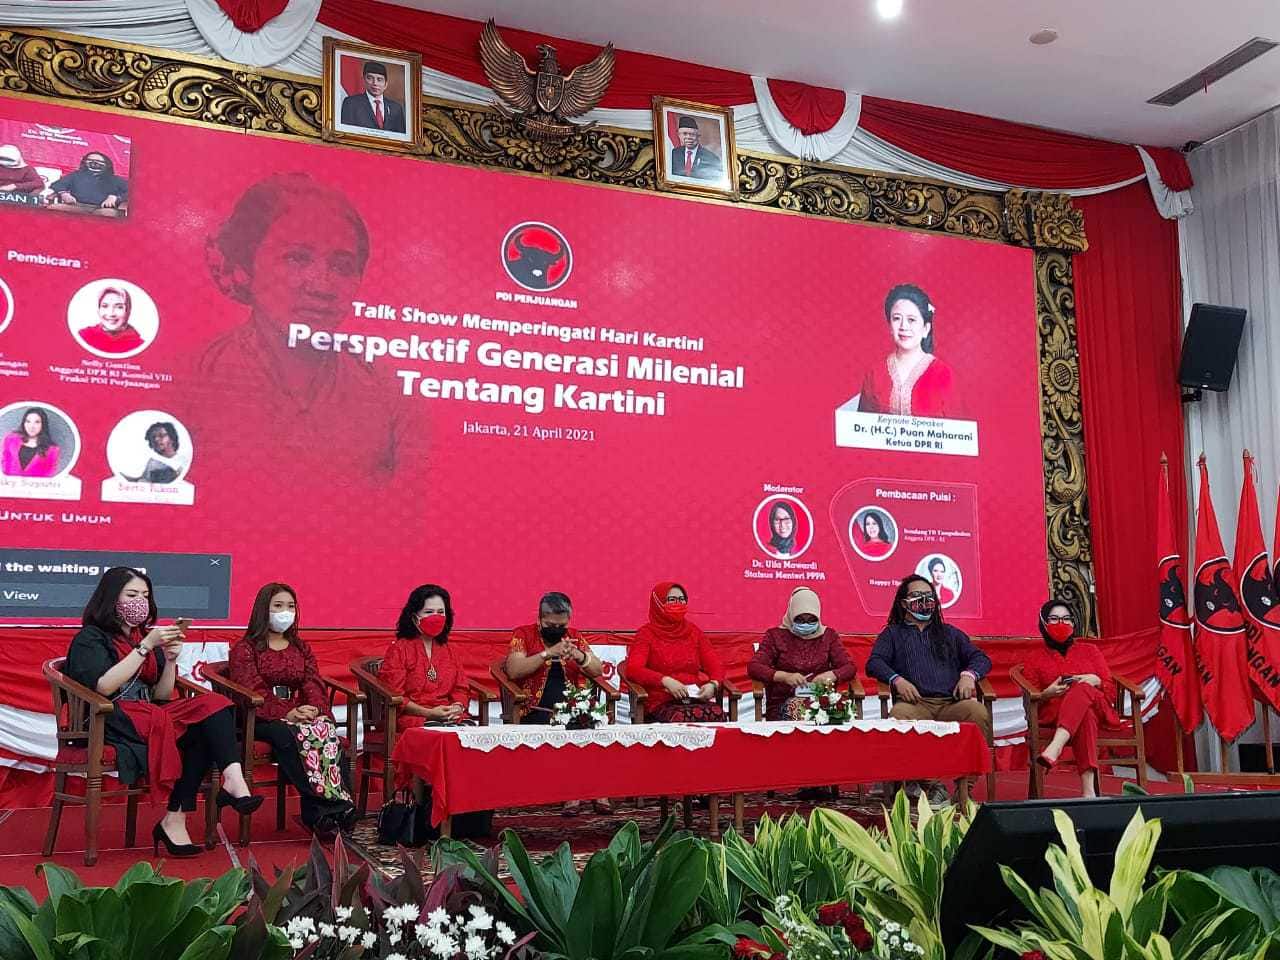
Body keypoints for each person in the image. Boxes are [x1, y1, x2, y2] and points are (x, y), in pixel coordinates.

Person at [63, 567, 261, 857]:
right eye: (132, 595)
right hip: (110, 715)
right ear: (111, 599)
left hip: (149, 710)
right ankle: (175, 820)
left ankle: (230, 781)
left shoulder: (143, 636)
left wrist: (169, 661)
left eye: (145, 596)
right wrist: (145, 647)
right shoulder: (91, 638)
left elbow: (162, 695)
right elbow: (103, 687)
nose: (140, 602)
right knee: (198, 732)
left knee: (214, 706)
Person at [229, 583, 358, 838]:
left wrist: (316, 710)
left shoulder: (300, 647)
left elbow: (312, 682)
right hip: (259, 716)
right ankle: (335, 808)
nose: (285, 612)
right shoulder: (246, 648)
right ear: (263, 610)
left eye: (290, 606)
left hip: (297, 711)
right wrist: (285, 713)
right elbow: (250, 687)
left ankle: (321, 815)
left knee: (325, 729)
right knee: (288, 735)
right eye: (278, 606)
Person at [865, 574, 992, 807]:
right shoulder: (892, 634)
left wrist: (969, 675)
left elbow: (980, 658)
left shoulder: (950, 633)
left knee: (977, 712)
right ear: (904, 603)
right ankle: (933, 786)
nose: (924, 601)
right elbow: (874, 663)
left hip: (951, 703)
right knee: (899, 716)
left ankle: (964, 790)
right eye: (917, 596)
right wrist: (897, 680)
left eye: (928, 596)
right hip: (916, 704)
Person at [505, 591, 611, 814]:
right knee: (568, 725)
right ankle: (573, 794)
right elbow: (514, 670)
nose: (556, 629)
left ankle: (596, 790)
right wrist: (548, 653)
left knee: (591, 720)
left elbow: (597, 670)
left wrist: (580, 656)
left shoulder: (574, 636)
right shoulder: (523, 635)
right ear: (540, 619)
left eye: (561, 625)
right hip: (535, 706)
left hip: (573, 704)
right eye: (550, 625)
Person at [1023, 599, 1124, 799]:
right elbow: (1030, 701)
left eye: (1066, 618)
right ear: (1043, 623)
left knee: (1083, 688)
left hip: (1099, 707)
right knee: (1085, 715)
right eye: (1054, 619)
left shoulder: (1090, 650)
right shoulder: (1034, 658)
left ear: (1073, 622)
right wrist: (1047, 693)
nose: (1061, 623)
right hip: (1056, 713)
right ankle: (1089, 792)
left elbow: (1111, 691)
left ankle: (1056, 746)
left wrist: (1096, 680)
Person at [748, 587, 857, 721]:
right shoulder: (775, 636)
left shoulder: (829, 636)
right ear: (791, 615)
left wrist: (831, 675)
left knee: (840, 710)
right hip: (784, 702)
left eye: (811, 620)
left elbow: (850, 667)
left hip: (821, 699)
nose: (806, 624)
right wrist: (785, 677)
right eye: (800, 620)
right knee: (804, 710)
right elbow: (754, 667)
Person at [625, 582, 727, 722]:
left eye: (681, 599)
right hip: (660, 701)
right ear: (658, 603)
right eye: (672, 600)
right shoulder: (646, 634)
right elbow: (633, 669)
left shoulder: (694, 632)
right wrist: (665, 681)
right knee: (680, 717)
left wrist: (713, 684)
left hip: (694, 698)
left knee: (718, 714)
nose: (678, 603)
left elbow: (716, 665)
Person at [857, 284, 957, 418]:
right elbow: (861, 425)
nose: (904, 326)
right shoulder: (875, 374)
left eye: (911, 320)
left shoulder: (943, 374)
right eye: (897, 318)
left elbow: (957, 428)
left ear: (926, 328)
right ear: (890, 326)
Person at [379, 584, 470, 729]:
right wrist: (429, 713)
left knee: (467, 729)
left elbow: (461, 688)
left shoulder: (450, 650)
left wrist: (457, 707)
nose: (436, 617)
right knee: (435, 731)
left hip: (447, 716)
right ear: (415, 618)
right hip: (413, 717)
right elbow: (395, 696)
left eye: (441, 612)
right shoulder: (399, 649)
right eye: (429, 612)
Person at [340, 61, 406, 133]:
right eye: (370, 78)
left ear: (386, 84)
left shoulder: (396, 108)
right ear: (364, 80)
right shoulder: (351, 103)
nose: (375, 83)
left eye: (379, 79)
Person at [79, 286, 145, 356]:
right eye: (105, 306)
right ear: (98, 310)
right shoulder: (84, 336)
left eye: (119, 307)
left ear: (128, 311)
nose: (111, 314)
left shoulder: (140, 346)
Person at [50, 151, 128, 209]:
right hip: (76, 206)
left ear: (106, 164)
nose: (94, 163)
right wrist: (64, 193)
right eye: (90, 160)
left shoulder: (115, 179)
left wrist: (115, 197)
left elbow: (130, 192)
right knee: (54, 208)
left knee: (107, 214)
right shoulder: (76, 175)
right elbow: (58, 184)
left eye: (99, 161)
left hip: (103, 208)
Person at [124, 421, 190, 484]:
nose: (156, 439)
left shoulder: (184, 462)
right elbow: (142, 480)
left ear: (172, 438)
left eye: (161, 435)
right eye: (153, 437)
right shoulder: (152, 462)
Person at [2, 407, 60, 477]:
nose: (32, 426)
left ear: (43, 424)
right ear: (24, 423)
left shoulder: (53, 449)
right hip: (10, 483)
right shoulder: (11, 440)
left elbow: (48, 475)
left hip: (36, 484)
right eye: (28, 421)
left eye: (37, 422)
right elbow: (5, 464)